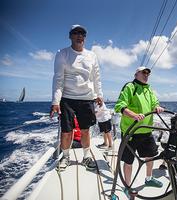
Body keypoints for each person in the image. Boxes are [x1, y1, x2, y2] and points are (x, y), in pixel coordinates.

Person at [50, 24, 103, 171]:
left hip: (87, 98)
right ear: (70, 36)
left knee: (85, 130)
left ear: (85, 37)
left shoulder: (92, 56)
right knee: (67, 131)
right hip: (67, 98)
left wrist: (99, 95)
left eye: (82, 33)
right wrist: (55, 101)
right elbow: (58, 78)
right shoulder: (62, 53)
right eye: (76, 33)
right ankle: (65, 157)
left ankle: (86, 157)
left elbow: (96, 77)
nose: (80, 35)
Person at [114, 66, 165, 192]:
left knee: (150, 156)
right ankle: (128, 185)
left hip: (147, 131)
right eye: (143, 72)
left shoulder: (149, 90)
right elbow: (119, 106)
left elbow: (154, 103)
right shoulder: (130, 87)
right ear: (136, 74)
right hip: (131, 132)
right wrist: (134, 115)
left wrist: (157, 107)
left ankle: (149, 179)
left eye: (148, 73)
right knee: (128, 160)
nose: (146, 75)